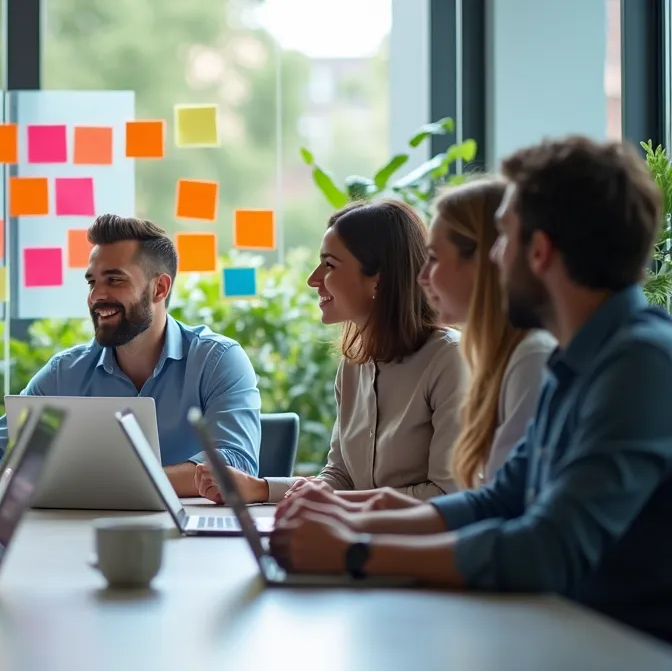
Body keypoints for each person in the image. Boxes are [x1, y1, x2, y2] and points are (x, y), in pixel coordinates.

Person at [271, 136, 672, 644]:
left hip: (619, 648)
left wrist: (355, 550)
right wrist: (354, 516)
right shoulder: (578, 359)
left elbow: (546, 549)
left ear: (540, 251)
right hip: (562, 633)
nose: (494, 261)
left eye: (501, 241)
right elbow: (500, 499)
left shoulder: (639, 363)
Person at [277, 181, 556, 514]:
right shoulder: (355, 363)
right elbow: (341, 475)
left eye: (434, 258)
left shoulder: (505, 359)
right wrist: (269, 489)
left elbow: (458, 496)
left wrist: (348, 533)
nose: (422, 277)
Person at [0, 214, 262, 497]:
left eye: (114, 280)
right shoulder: (66, 372)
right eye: (92, 282)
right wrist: (0, 481)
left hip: (195, 543)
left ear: (159, 288)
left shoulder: (218, 360)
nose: (97, 296)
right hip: (80, 537)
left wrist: (98, 486)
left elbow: (234, 465)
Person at [198, 200, 465, 505]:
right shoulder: (354, 365)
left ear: (378, 278)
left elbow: (448, 494)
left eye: (329, 265)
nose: (313, 279)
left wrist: (338, 502)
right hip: (361, 536)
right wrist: (259, 488)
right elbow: (339, 477)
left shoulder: (448, 360)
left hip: (420, 547)